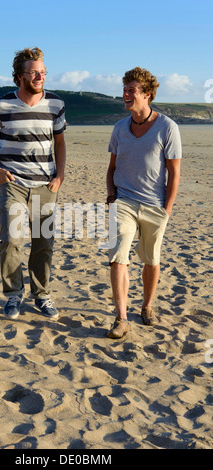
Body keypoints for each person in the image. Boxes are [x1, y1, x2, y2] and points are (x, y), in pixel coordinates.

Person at [0, 47, 66, 320]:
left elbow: (60, 143)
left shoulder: (56, 104)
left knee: (43, 243)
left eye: (43, 72)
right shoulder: (1, 104)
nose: (40, 76)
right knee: (11, 240)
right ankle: (13, 295)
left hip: (45, 186)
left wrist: (60, 175)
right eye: (34, 72)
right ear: (20, 76)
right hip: (13, 184)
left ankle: (41, 295)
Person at [106, 67, 182, 339]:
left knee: (151, 259)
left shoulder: (167, 127)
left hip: (154, 204)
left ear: (147, 94)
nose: (125, 94)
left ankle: (147, 306)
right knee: (118, 255)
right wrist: (111, 195)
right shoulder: (119, 128)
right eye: (124, 89)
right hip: (124, 200)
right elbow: (112, 166)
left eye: (131, 90)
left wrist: (167, 208)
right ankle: (121, 318)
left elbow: (174, 172)